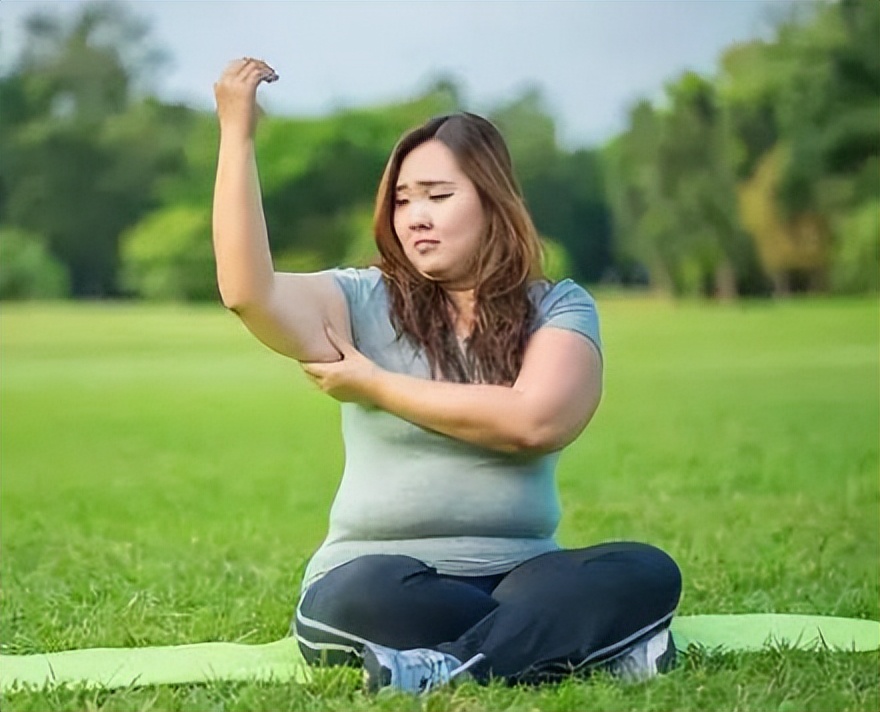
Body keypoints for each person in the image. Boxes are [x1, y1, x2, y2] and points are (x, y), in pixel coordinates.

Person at [212, 57, 682, 694]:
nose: (414, 217)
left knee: (642, 570)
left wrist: (375, 385)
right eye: (403, 200)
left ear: (493, 202)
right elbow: (248, 292)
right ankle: (572, 645)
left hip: (521, 573)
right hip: (381, 580)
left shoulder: (557, 307)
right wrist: (236, 136)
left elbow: (535, 422)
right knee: (361, 597)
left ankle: (447, 667)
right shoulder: (358, 300)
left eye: (437, 196)